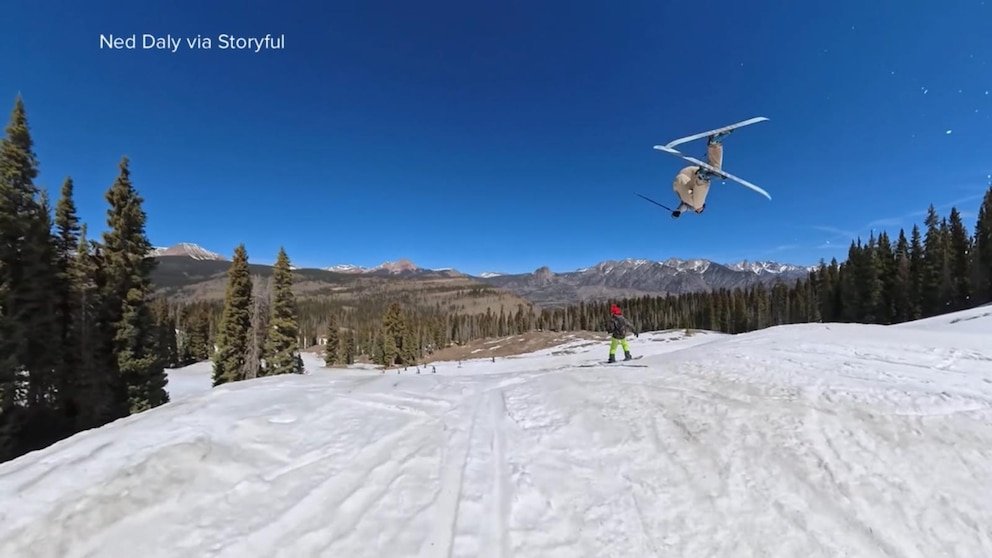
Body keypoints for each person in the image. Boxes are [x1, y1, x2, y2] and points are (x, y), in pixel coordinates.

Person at [671, 131, 731, 218]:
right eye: (701, 210)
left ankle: (703, 177)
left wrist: (678, 212)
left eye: (699, 211)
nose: (700, 210)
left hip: (683, 181)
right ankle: (714, 144)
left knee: (697, 203)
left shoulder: (691, 206)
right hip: (691, 174)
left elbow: (684, 207)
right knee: (715, 169)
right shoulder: (695, 200)